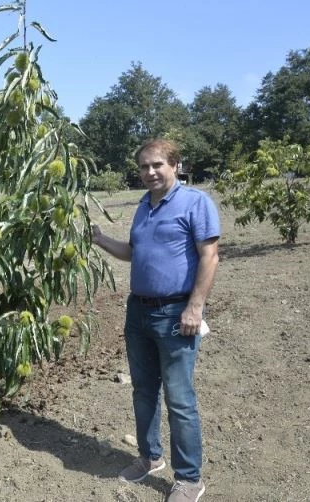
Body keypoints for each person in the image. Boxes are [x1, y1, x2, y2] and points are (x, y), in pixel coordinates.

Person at [91, 138, 219, 502]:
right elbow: (133, 252)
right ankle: (149, 457)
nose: (149, 172)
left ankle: (190, 478)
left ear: (175, 165)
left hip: (176, 313)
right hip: (139, 312)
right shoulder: (144, 207)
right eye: (144, 166)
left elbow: (209, 257)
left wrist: (195, 307)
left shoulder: (195, 202)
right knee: (143, 391)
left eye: (157, 165)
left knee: (180, 399)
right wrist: (100, 239)